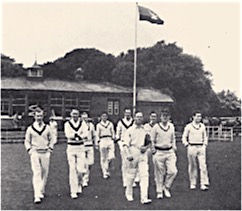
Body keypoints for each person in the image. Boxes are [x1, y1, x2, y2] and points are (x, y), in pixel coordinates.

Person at [24, 107, 54, 204]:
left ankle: (41, 190)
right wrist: (30, 150)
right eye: (37, 116)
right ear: (34, 117)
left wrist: (50, 149)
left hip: (45, 153)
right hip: (35, 153)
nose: (39, 118)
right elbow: (27, 141)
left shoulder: (47, 128)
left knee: (44, 173)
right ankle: (37, 195)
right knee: (37, 173)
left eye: (41, 116)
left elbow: (52, 139)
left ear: (43, 116)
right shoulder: (30, 129)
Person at [123, 111, 152, 204]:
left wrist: (146, 147)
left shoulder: (145, 130)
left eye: (141, 117)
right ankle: (129, 193)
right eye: (137, 117)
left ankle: (144, 197)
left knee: (144, 175)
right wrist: (128, 155)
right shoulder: (130, 130)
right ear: (134, 118)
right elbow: (125, 144)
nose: (139, 119)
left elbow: (149, 142)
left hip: (143, 154)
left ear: (143, 118)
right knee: (131, 175)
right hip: (133, 152)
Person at [150, 109, 177, 199]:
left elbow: (173, 138)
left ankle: (166, 187)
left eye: (167, 116)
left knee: (173, 171)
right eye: (163, 116)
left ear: (169, 117)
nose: (165, 118)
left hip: (169, 152)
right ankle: (159, 191)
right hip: (159, 152)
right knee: (159, 172)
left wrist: (174, 146)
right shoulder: (156, 127)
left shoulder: (171, 126)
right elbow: (152, 140)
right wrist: (153, 149)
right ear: (160, 117)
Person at [182, 111, 209, 191]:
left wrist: (204, 144)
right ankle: (193, 183)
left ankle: (203, 183)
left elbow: (205, 136)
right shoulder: (189, 126)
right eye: (197, 116)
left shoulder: (202, 126)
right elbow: (184, 137)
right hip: (192, 146)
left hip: (201, 147)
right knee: (192, 166)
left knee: (203, 166)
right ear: (193, 117)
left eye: (200, 116)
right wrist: (186, 144)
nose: (199, 118)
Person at [64, 109, 86, 199]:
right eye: (73, 114)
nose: (75, 115)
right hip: (71, 148)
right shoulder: (67, 124)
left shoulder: (83, 123)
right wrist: (77, 135)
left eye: (77, 114)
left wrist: (78, 136)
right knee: (72, 169)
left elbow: (85, 134)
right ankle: (73, 190)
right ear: (71, 115)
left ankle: (79, 183)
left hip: (80, 148)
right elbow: (68, 134)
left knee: (80, 169)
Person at [116, 108, 135, 188]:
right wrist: (120, 142)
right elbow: (118, 134)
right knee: (125, 162)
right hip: (123, 143)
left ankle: (132, 181)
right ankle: (125, 181)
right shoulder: (121, 122)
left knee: (132, 163)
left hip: (132, 144)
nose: (127, 114)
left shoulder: (133, 122)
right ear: (124, 113)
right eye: (126, 113)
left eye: (129, 113)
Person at [96, 112, 115, 179]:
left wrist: (113, 137)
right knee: (103, 157)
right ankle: (105, 172)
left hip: (109, 139)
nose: (104, 117)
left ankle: (108, 167)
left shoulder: (110, 124)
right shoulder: (99, 125)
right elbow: (97, 134)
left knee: (111, 156)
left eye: (105, 116)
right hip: (102, 140)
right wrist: (97, 142)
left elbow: (113, 132)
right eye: (103, 116)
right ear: (101, 117)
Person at [80, 112, 96, 187]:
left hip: (90, 145)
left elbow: (94, 135)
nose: (84, 119)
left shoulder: (91, 125)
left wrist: (96, 143)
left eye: (85, 118)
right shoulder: (79, 126)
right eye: (83, 118)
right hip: (82, 145)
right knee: (84, 163)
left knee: (90, 162)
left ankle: (85, 176)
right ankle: (84, 179)